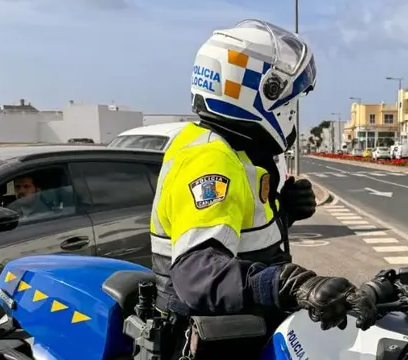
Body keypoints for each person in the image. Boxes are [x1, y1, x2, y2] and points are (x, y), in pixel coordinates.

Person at [150, 19, 378, 359]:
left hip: (246, 327)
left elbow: (239, 237)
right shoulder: (211, 160)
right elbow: (198, 274)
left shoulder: (237, 152)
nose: (291, 111)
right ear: (256, 92)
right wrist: (290, 284)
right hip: (213, 340)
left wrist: (285, 212)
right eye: (287, 100)